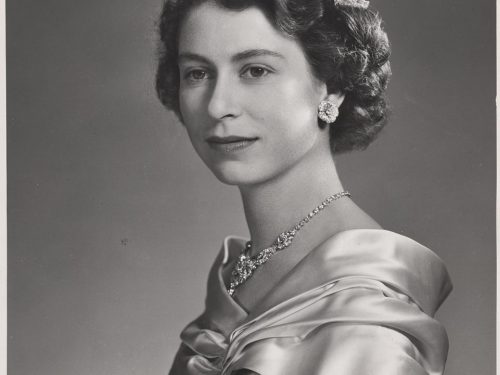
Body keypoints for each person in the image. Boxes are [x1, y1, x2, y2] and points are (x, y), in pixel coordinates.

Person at [155, 0, 452, 374]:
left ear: (332, 88)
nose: (218, 106)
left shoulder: (362, 320)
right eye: (197, 73)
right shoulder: (243, 269)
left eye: (255, 70)